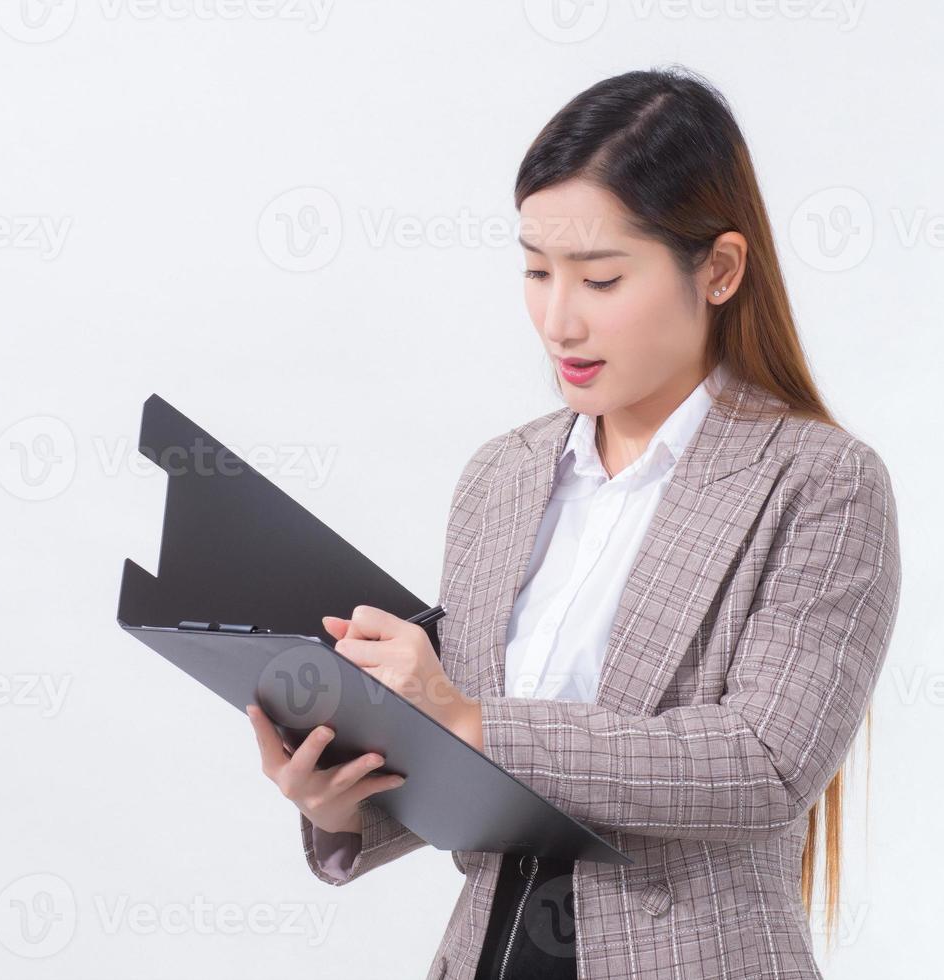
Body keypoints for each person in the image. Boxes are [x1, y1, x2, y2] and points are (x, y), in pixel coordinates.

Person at [246, 64, 902, 980]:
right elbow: (472, 771)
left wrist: (471, 721)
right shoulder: (502, 477)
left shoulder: (819, 484)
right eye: (535, 270)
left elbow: (764, 763)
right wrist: (337, 798)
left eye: (599, 279)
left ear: (718, 269)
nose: (558, 320)